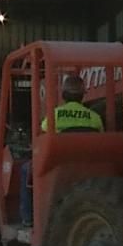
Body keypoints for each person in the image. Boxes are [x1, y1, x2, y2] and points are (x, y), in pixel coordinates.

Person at [20, 75, 104, 225]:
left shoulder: (54, 116)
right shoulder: (95, 117)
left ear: (63, 94)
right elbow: (101, 137)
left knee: (26, 169)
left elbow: (42, 135)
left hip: (58, 165)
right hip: (87, 165)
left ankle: (28, 218)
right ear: (82, 95)